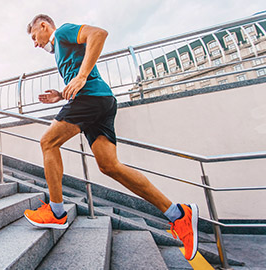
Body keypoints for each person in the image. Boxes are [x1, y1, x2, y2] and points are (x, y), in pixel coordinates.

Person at [23, 14, 199, 261]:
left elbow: (99, 34)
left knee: (47, 142)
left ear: (44, 26)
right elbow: (79, 74)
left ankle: (56, 212)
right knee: (109, 166)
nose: (35, 44)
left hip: (91, 99)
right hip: (102, 101)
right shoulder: (61, 51)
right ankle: (178, 214)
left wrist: (81, 77)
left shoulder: (62, 32)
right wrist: (61, 96)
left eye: (34, 37)